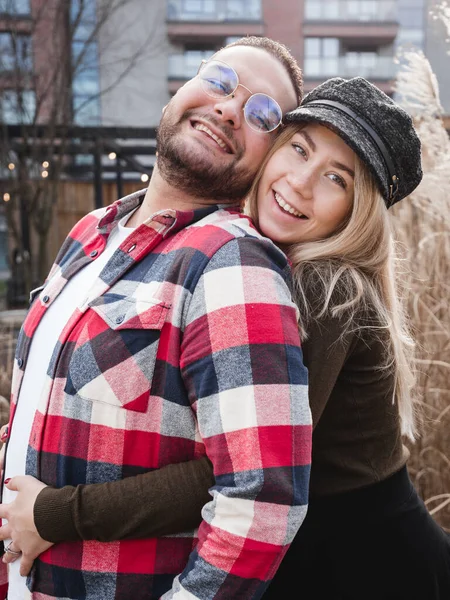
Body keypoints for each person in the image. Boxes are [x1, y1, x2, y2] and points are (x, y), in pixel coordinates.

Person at [4, 75, 450, 600]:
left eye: (337, 179)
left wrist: (53, 514)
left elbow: (238, 470)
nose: (301, 182)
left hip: (368, 560)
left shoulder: (330, 291)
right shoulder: (250, 256)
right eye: (299, 149)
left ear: (358, 213)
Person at [0, 37, 314, 600]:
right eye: (220, 81)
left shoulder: (231, 260)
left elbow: (262, 500)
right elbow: (43, 411)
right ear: (183, 88)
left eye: (261, 114)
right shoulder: (90, 231)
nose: (227, 108)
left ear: (270, 156)